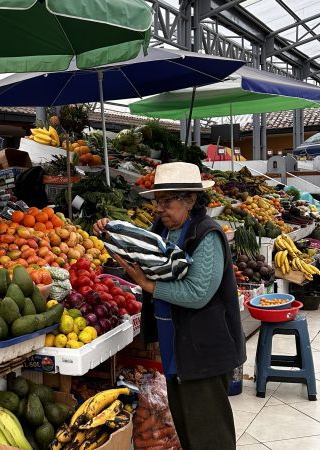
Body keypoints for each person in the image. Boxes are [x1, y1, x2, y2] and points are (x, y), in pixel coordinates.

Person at [94, 162, 246, 450]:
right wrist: (109, 232)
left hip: (204, 349)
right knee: (188, 429)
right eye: (157, 201)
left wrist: (149, 286)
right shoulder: (163, 231)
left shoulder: (207, 233)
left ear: (190, 200)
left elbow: (198, 293)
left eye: (167, 201)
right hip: (177, 344)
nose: (159, 208)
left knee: (209, 434)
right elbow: (139, 255)